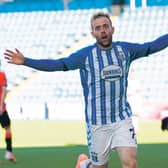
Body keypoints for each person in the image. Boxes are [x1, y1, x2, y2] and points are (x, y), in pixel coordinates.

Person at [3, 12, 168, 168]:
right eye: (98, 28)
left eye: (105, 26)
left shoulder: (125, 50)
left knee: (130, 163)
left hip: (122, 120)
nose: (102, 30)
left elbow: (151, 46)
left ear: (112, 29)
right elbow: (58, 64)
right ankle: (85, 164)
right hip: (97, 123)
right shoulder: (85, 56)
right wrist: (26, 61)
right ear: (93, 34)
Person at [0, 67, 16, 163]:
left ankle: (9, 153)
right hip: (1, 108)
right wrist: (1, 106)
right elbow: (4, 90)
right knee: (7, 128)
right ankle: (9, 152)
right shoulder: (1, 74)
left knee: (7, 128)